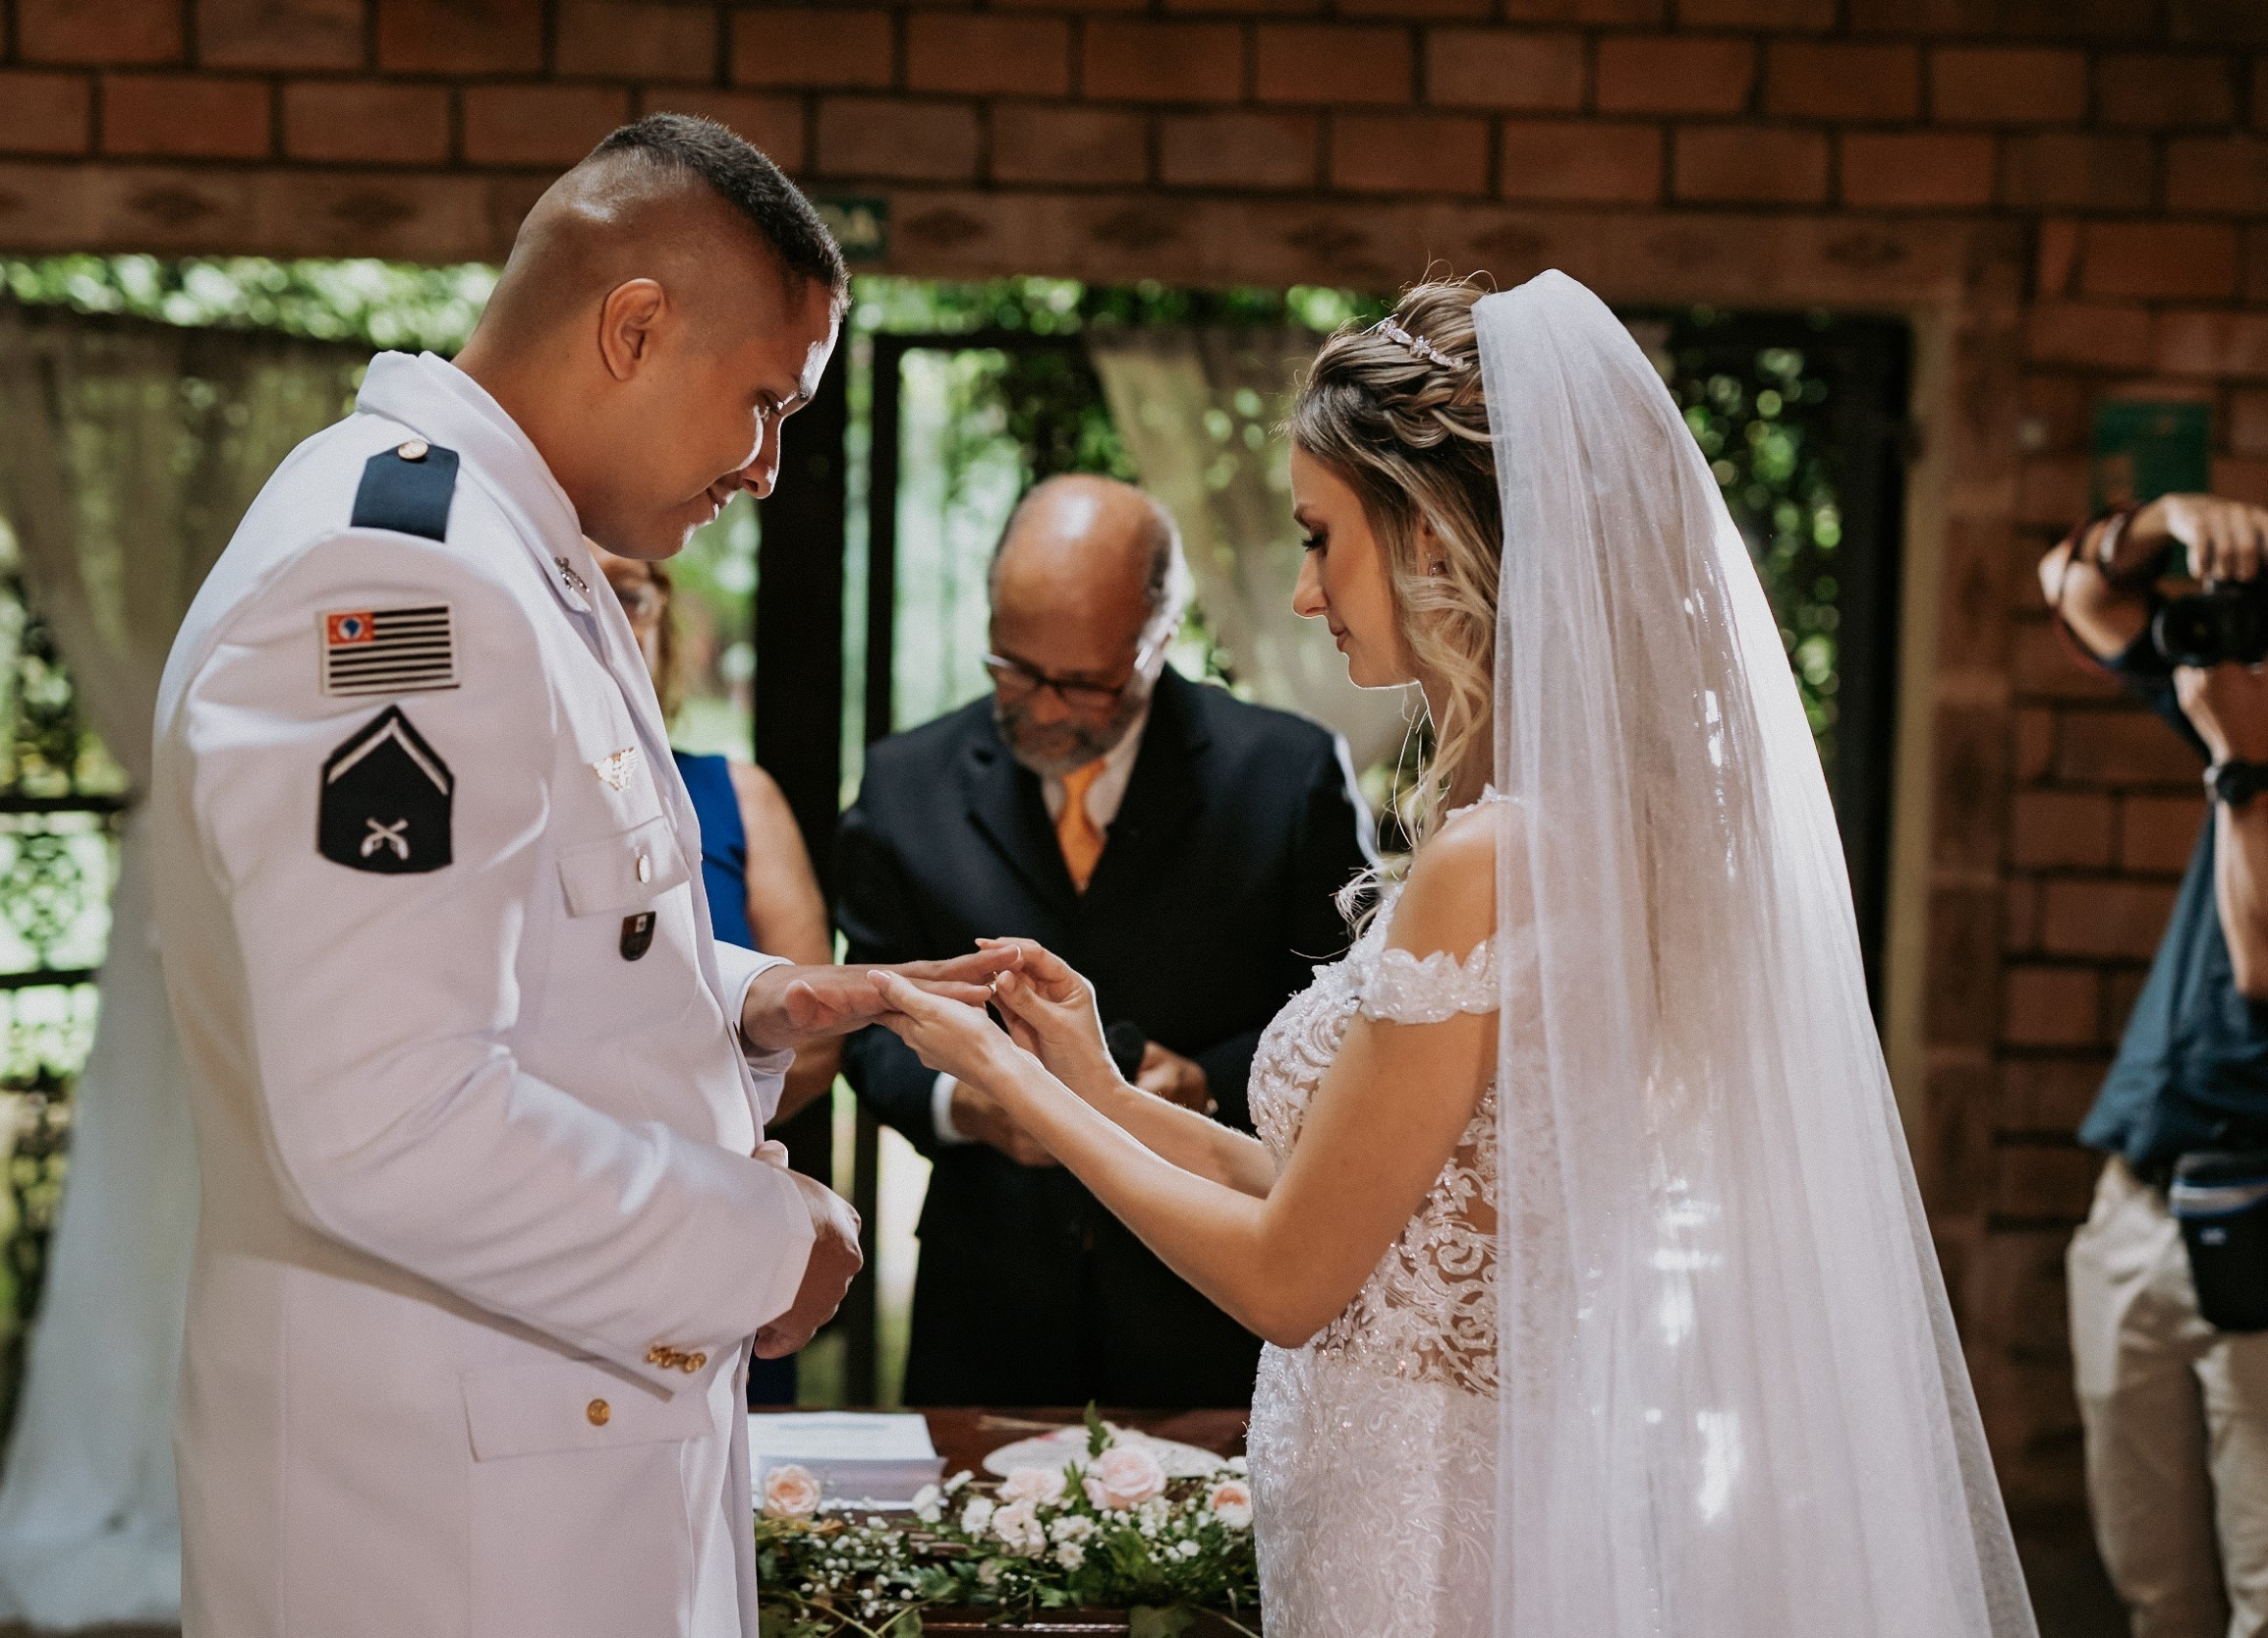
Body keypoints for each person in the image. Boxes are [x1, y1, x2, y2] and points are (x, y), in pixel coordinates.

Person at [871, 273, 2036, 1638]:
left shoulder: (1491, 860)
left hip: (1430, 1515)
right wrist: (1102, 1085)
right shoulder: (1558, 830)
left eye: (1319, 538)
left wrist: (1034, 1103)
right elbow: (1352, 1209)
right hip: (1436, 1467)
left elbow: (1291, 1280)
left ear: (1431, 540)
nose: (1302, 595)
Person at [147, 115, 1008, 1638]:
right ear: (633, 325)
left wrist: (751, 999)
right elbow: (384, 1119)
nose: (767, 465)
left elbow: (543, 934)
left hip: (548, 1465)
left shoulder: (509, 547)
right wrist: (760, 1245)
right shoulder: (399, 576)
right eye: (762, 401)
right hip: (445, 1530)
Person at [835, 473, 1375, 1410]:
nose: (1043, 709)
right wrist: (971, 1103)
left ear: (1160, 640)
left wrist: (1203, 1083)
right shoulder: (901, 781)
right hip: (990, 1302)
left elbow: (1350, 1014)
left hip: (1212, 1310)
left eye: (1084, 682)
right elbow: (867, 1020)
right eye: (1012, 668)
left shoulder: (1286, 776)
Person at [2042, 491, 2268, 1638]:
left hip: (2261, 1235)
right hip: (2137, 1201)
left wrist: (2241, 766)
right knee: (2155, 1595)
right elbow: (2077, 589)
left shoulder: (2251, 742)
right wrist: (2165, 521)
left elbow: (2262, 957)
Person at [604, 549, 836, 1407]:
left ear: (668, 620)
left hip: (726, 1203)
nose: (611, 623)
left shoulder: (738, 795)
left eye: (630, 596)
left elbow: (814, 1034)